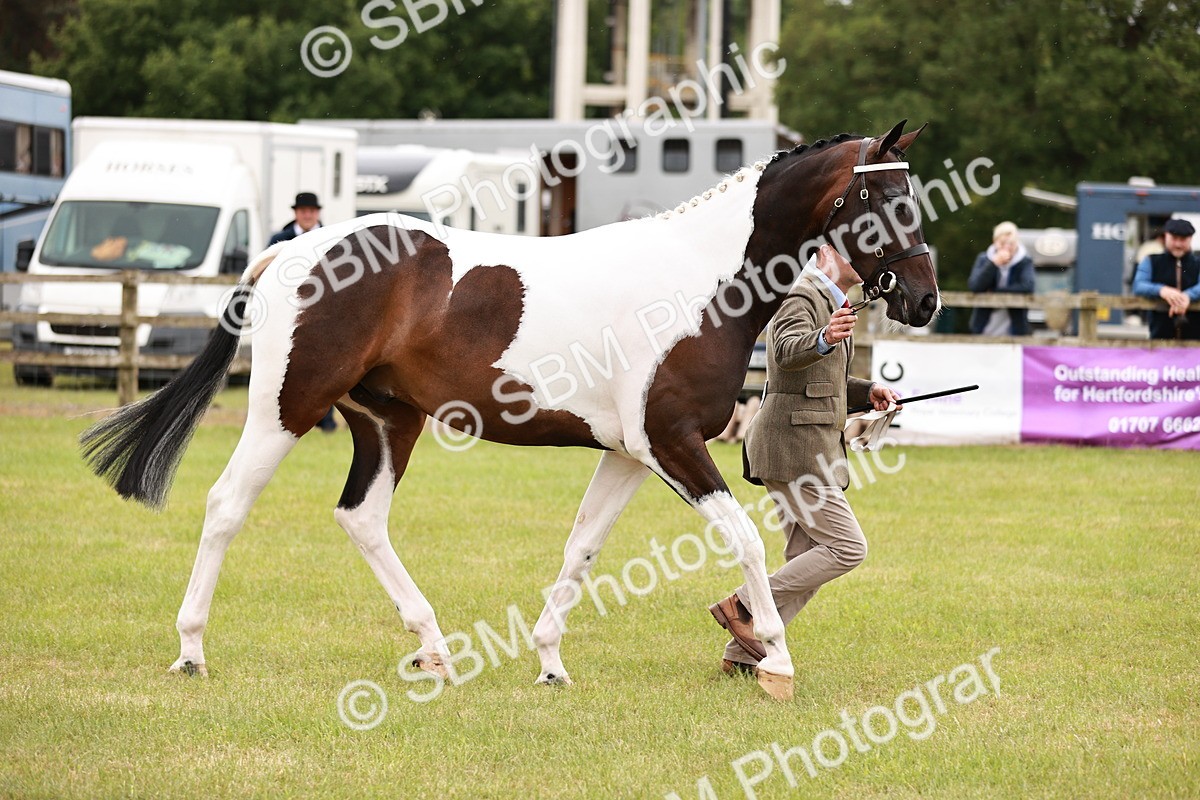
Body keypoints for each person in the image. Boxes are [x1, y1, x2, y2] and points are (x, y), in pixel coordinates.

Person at [708, 244, 899, 677]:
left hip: (805, 446)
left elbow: (821, 376)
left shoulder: (832, 302)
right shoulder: (801, 295)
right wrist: (824, 337)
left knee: (808, 560)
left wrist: (865, 391)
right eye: (859, 252)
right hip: (794, 447)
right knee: (848, 548)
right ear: (827, 253)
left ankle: (742, 655)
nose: (868, 260)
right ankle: (742, 603)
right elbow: (786, 354)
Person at [270, 192, 337, 431]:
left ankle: (326, 419)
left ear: (317, 212)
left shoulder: (334, 239)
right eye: (303, 210)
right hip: (289, 312)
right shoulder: (280, 240)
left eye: (311, 210)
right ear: (296, 213)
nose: (307, 214)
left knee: (327, 366)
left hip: (326, 314)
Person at [1133, 218, 1200, 340]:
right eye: (1174, 238)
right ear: (1166, 236)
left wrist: (1188, 296)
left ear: (1190, 239)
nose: (1178, 244)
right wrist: (1162, 290)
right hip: (1159, 334)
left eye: (1183, 239)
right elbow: (1138, 285)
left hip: (1195, 339)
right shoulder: (1150, 260)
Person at [968, 221, 1036, 336]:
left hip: (1015, 325)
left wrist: (996, 292)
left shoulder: (1025, 261)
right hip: (984, 324)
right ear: (995, 242)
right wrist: (993, 264)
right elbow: (975, 285)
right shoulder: (984, 259)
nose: (1007, 247)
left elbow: (1027, 286)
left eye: (1011, 244)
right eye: (1003, 243)